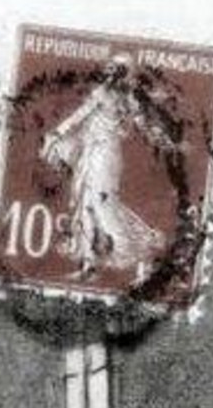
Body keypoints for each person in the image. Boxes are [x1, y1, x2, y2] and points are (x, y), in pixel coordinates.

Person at [38, 54, 175, 284]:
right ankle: (89, 264)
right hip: (93, 154)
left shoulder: (126, 99)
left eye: (117, 71)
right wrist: (57, 134)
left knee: (104, 205)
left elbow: (144, 125)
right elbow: (79, 116)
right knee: (87, 205)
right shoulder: (110, 94)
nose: (111, 74)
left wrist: (163, 139)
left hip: (106, 156)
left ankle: (143, 252)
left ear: (123, 74)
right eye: (110, 70)